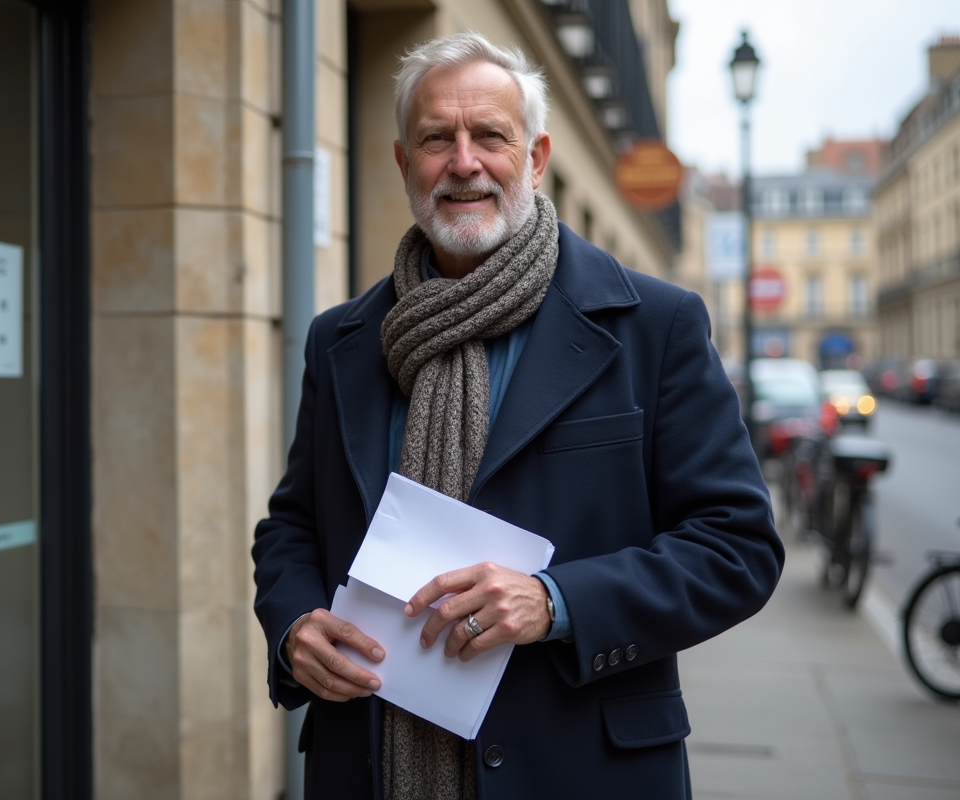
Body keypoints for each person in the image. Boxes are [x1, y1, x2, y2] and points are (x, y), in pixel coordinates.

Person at [253, 31, 783, 800]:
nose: (463, 163)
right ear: (405, 164)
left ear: (534, 158)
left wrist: (556, 601)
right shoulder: (342, 340)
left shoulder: (652, 325)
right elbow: (293, 525)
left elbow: (738, 548)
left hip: (579, 767)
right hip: (368, 763)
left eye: (490, 137)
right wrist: (296, 623)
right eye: (437, 138)